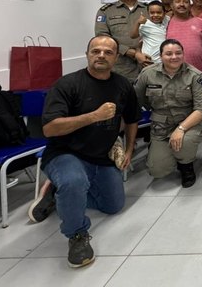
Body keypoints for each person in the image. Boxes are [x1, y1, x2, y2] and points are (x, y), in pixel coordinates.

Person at [28, 35, 140, 268]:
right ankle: (77, 235)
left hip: (101, 156)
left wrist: (129, 149)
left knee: (113, 206)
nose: (101, 55)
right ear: (87, 54)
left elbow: (132, 119)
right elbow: (50, 128)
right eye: (95, 51)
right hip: (66, 153)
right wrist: (94, 116)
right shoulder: (67, 85)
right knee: (74, 182)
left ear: (116, 58)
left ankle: (57, 193)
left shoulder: (122, 85)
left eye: (108, 52)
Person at [134, 39, 202, 188]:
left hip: (191, 121)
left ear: (183, 54)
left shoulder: (195, 75)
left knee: (185, 142)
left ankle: (186, 166)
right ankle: (166, 151)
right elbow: (138, 98)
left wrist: (181, 129)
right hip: (162, 123)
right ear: (161, 56)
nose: (174, 57)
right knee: (157, 170)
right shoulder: (148, 74)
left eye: (178, 53)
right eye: (168, 54)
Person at [94, 0, 147, 81]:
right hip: (121, 66)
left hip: (148, 62)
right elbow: (102, 37)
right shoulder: (106, 11)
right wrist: (129, 52)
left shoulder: (149, 9)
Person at [166, 0, 202, 82]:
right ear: (172, 5)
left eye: (185, 2)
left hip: (201, 75)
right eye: (178, 2)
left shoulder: (200, 22)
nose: (182, 4)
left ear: (190, 5)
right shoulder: (166, 23)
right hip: (174, 77)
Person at [130, 0, 169, 67]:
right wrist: (138, 23)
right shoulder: (145, 24)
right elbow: (133, 36)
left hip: (163, 62)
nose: (155, 15)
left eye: (159, 12)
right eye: (152, 13)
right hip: (148, 60)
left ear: (164, 13)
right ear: (148, 13)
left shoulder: (167, 20)